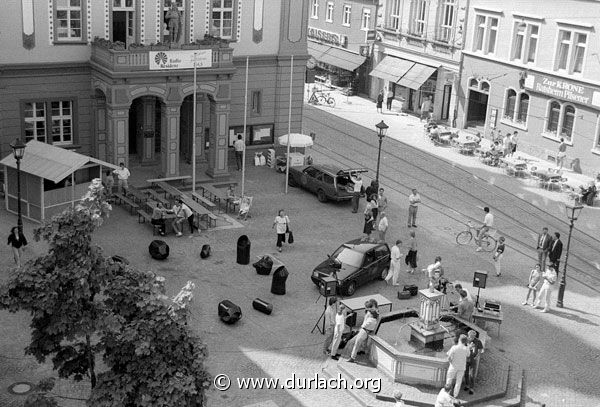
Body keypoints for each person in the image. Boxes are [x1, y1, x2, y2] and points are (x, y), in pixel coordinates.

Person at [464, 330, 484, 394]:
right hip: (466, 359)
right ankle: (467, 385)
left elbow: (481, 349)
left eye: (472, 337)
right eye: (470, 337)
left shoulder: (478, 341)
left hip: (473, 360)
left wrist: (477, 356)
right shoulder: (466, 340)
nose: (471, 338)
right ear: (468, 336)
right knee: (466, 373)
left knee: (472, 375)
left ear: (475, 336)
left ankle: (471, 388)